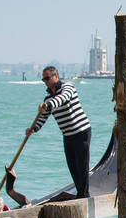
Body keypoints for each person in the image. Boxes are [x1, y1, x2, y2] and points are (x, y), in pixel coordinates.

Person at [29, 66, 91, 199]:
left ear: (56, 76)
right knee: (72, 166)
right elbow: (43, 117)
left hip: (81, 131)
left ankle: (84, 195)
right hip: (67, 135)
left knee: (82, 165)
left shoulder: (68, 87)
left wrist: (49, 105)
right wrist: (33, 129)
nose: (45, 81)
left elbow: (62, 99)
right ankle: (81, 193)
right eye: (43, 79)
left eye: (47, 78)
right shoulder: (47, 99)